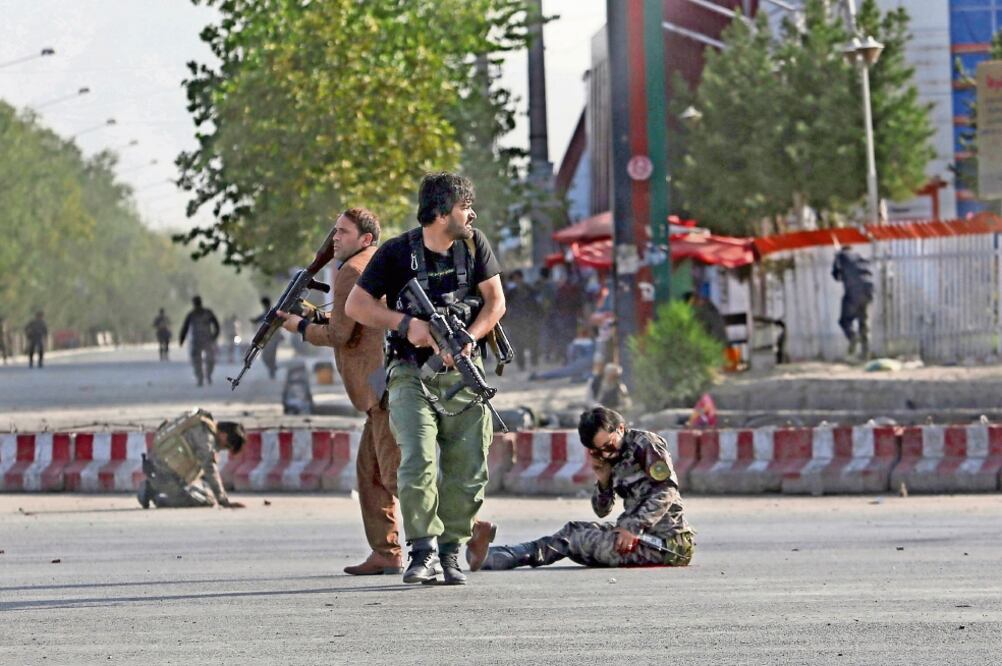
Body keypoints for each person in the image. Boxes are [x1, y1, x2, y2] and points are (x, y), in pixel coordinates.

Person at [345, 172, 506, 586]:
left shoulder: (474, 246)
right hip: (410, 371)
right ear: (439, 213)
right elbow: (356, 306)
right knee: (416, 460)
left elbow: (495, 302)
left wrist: (470, 337)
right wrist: (406, 325)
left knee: (469, 468)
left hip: (464, 375)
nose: (471, 214)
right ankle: (423, 549)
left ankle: (451, 550)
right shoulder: (397, 252)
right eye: (463, 206)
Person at [277, 207, 405, 575]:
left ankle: (469, 530)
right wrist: (312, 316)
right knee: (371, 472)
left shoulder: (350, 272)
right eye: (334, 231)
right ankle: (386, 551)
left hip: (379, 388)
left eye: (343, 232)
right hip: (385, 383)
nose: (335, 238)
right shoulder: (378, 262)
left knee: (399, 476)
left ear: (365, 238)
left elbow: (339, 335)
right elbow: (352, 323)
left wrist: (299, 327)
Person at [467, 406, 695, 571]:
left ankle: (512, 557)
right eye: (597, 451)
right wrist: (604, 480)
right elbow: (602, 511)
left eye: (609, 446)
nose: (606, 454)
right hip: (637, 537)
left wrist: (633, 527)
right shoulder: (610, 460)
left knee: (576, 540)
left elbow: (666, 490)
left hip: (666, 543)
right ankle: (512, 553)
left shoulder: (646, 445)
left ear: (621, 429)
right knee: (572, 530)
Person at [137, 408, 246, 509]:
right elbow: (209, 468)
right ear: (224, 435)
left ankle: (154, 487)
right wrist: (223, 500)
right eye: (226, 446)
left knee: (205, 494)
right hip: (166, 475)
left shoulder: (200, 423)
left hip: (159, 468)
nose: (222, 448)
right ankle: (156, 494)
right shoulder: (206, 437)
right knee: (206, 501)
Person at [831, 246, 875, 359]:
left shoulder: (841, 256)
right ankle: (866, 354)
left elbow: (836, 275)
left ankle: (853, 337)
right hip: (869, 291)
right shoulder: (859, 256)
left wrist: (836, 258)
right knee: (864, 323)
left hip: (853, 292)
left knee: (844, 321)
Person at [503, 270, 542, 371]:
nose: (516, 280)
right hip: (517, 322)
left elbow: (537, 305)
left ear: (521, 278)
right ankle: (521, 364)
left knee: (533, 342)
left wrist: (538, 317)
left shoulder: (530, 290)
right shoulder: (511, 293)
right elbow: (505, 305)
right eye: (515, 278)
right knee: (518, 343)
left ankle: (534, 361)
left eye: (518, 278)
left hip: (530, 320)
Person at [178, 296, 220, 386]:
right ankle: (200, 378)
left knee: (210, 359)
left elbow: (216, 325)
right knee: (197, 361)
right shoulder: (192, 315)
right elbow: (185, 327)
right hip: (198, 340)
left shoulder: (207, 313)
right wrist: (181, 338)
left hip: (207, 340)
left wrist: (214, 336)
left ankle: (207, 375)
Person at [252, 297, 281, 379]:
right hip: (268, 338)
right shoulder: (268, 311)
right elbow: (261, 318)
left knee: (268, 356)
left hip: (273, 337)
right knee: (267, 356)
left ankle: (272, 370)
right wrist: (255, 320)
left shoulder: (272, 311)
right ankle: (272, 369)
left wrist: (256, 320)